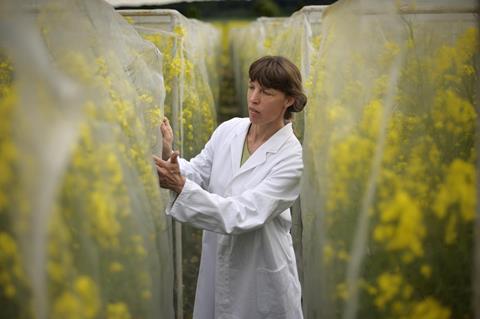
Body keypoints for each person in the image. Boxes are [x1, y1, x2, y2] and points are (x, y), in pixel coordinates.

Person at [154, 55, 307, 319]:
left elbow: (244, 213)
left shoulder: (292, 158)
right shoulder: (229, 130)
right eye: (251, 87)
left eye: (266, 92)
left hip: (261, 270)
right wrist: (169, 157)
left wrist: (180, 187)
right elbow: (199, 172)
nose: (253, 98)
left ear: (289, 100)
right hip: (218, 258)